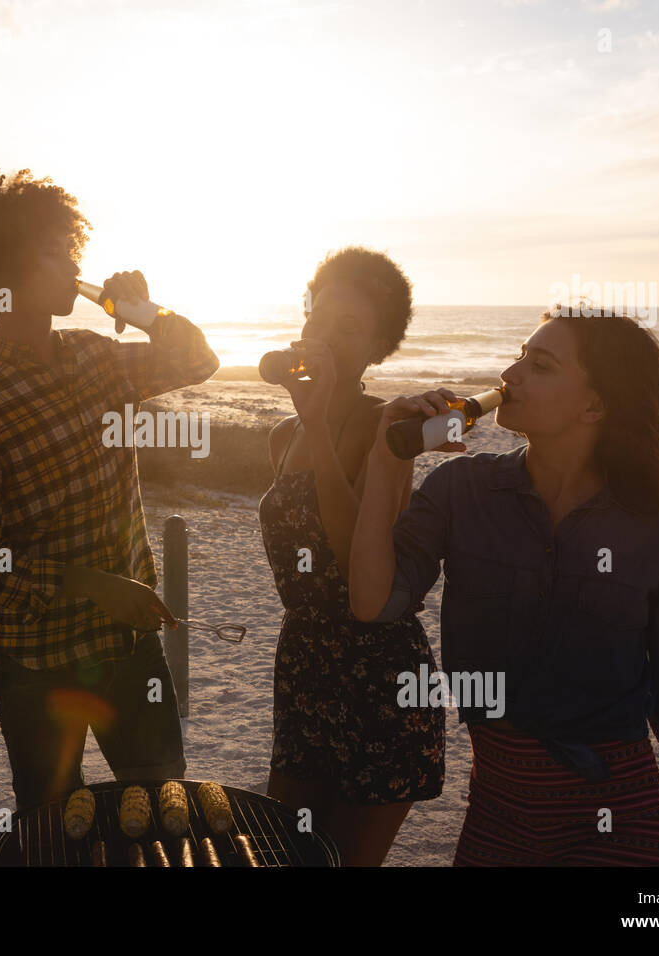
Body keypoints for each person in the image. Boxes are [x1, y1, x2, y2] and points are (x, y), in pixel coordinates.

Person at [349, 305, 659, 866]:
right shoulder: (461, 491)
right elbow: (373, 603)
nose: (510, 375)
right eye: (520, 355)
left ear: (594, 404)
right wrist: (386, 456)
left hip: (618, 819)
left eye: (541, 365)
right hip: (497, 817)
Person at [0, 169, 219, 809]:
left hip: (129, 649)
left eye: (72, 248)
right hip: (38, 667)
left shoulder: (97, 355)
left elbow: (198, 361)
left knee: (161, 808)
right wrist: (92, 584)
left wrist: (145, 313)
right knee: (52, 825)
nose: (72, 264)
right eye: (53, 251)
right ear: (6, 274)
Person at [258, 247, 444, 866]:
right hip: (306, 663)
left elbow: (349, 554)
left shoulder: (384, 430)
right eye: (319, 319)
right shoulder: (282, 436)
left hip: (378, 675)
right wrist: (306, 423)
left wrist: (317, 425)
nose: (326, 337)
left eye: (349, 329)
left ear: (376, 350)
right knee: (284, 852)